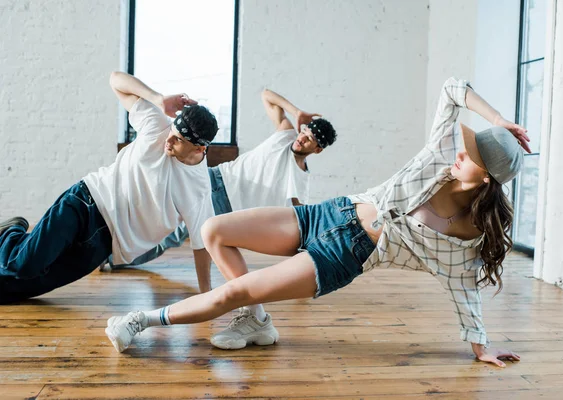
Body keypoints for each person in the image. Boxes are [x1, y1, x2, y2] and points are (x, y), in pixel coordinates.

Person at [105, 77, 529, 368]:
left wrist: (480, 344)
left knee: (232, 291)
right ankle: (257, 320)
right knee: (212, 230)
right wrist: (498, 124)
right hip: (331, 212)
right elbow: (454, 88)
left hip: (343, 255)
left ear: (486, 179)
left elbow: (465, 291)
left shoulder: (463, 243)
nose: (459, 153)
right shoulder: (438, 157)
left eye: (469, 156)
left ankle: (140, 322)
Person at [0, 72, 218, 303]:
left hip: (105, 245)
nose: (169, 140)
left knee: (13, 289)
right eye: (172, 133)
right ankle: (11, 232)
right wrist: (158, 98)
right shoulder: (157, 126)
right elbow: (116, 80)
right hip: (87, 204)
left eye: (178, 140)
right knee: (23, 265)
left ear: (199, 150)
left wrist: (206, 295)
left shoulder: (199, 188)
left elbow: (201, 243)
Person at [104, 88, 337, 293]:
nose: (302, 139)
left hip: (228, 206)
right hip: (217, 177)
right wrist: (297, 112)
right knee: (167, 225)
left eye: (309, 140)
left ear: (317, 150)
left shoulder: (299, 179)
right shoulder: (286, 133)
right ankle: (113, 252)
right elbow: (267, 95)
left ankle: (113, 257)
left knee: (172, 234)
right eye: (304, 133)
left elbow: (300, 221)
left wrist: (304, 267)